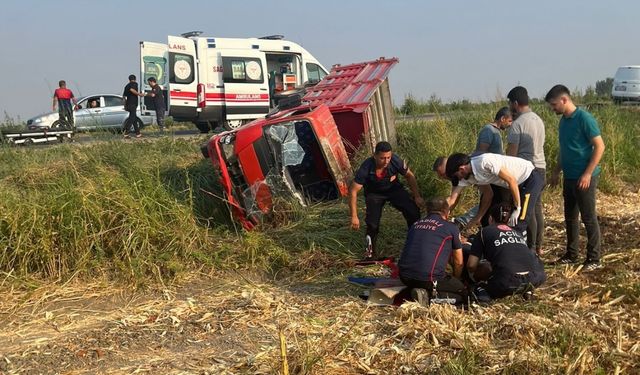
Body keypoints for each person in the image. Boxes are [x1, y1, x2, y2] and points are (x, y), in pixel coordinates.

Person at [545, 84, 605, 272]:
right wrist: (556, 171)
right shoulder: (563, 121)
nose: (553, 108)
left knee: (588, 217)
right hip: (569, 176)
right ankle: (571, 254)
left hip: (584, 176)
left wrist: (587, 173)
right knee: (570, 217)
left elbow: (600, 146)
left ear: (564, 100)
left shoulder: (584, 119)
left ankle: (594, 258)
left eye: (554, 104)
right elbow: (565, 149)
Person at [349, 141, 423, 259]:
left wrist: (417, 196)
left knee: (413, 211)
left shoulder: (395, 161)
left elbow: (410, 176)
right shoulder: (366, 167)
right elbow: (353, 190)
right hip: (374, 194)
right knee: (372, 224)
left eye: (388, 157)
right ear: (375, 156)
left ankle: (416, 243)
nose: (386, 161)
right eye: (382, 158)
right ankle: (370, 254)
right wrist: (354, 216)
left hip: (394, 190)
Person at [445, 152, 544, 238]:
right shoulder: (468, 177)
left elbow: (511, 180)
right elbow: (454, 198)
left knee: (521, 217)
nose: (459, 179)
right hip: (517, 184)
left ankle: (526, 252)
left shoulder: (484, 161)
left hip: (530, 177)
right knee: (511, 220)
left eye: (457, 175)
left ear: (462, 168)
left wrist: (517, 207)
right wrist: (441, 216)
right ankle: (527, 247)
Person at [467, 203, 546, 300]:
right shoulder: (518, 233)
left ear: (490, 219)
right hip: (537, 277)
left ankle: (483, 294)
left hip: (507, 281)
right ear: (509, 220)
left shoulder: (484, 232)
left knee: (483, 276)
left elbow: (471, 265)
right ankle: (527, 290)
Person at [398, 197, 465, 306]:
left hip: (404, 276)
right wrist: (457, 279)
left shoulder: (415, 224)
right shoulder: (451, 228)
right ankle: (428, 298)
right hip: (429, 278)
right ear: (446, 212)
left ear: (427, 211)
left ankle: (417, 291)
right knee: (462, 293)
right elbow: (459, 262)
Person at [506, 86, 546, 256]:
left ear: (515, 103)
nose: (510, 107)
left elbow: (512, 156)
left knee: (525, 210)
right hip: (541, 167)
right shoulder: (538, 119)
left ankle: (529, 249)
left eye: (510, 104)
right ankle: (538, 246)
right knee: (536, 208)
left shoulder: (517, 124)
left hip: (527, 171)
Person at [122, 74, 145, 138]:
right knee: (131, 118)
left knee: (134, 118)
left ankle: (138, 133)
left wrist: (125, 105)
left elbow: (124, 97)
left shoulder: (126, 86)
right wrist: (139, 94)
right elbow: (132, 90)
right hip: (132, 104)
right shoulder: (134, 83)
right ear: (135, 79)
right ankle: (126, 133)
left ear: (129, 79)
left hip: (128, 104)